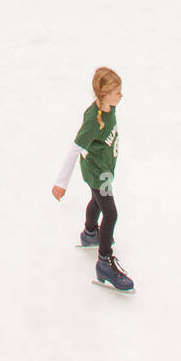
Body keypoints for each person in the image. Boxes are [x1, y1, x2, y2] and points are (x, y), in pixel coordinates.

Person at [51, 66, 134, 292]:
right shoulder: (93, 120)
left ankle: (89, 233)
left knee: (97, 202)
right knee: (111, 213)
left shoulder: (109, 109)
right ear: (104, 94)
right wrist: (61, 182)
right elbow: (75, 148)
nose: (121, 96)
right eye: (117, 93)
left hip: (102, 167)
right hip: (99, 174)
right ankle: (105, 262)